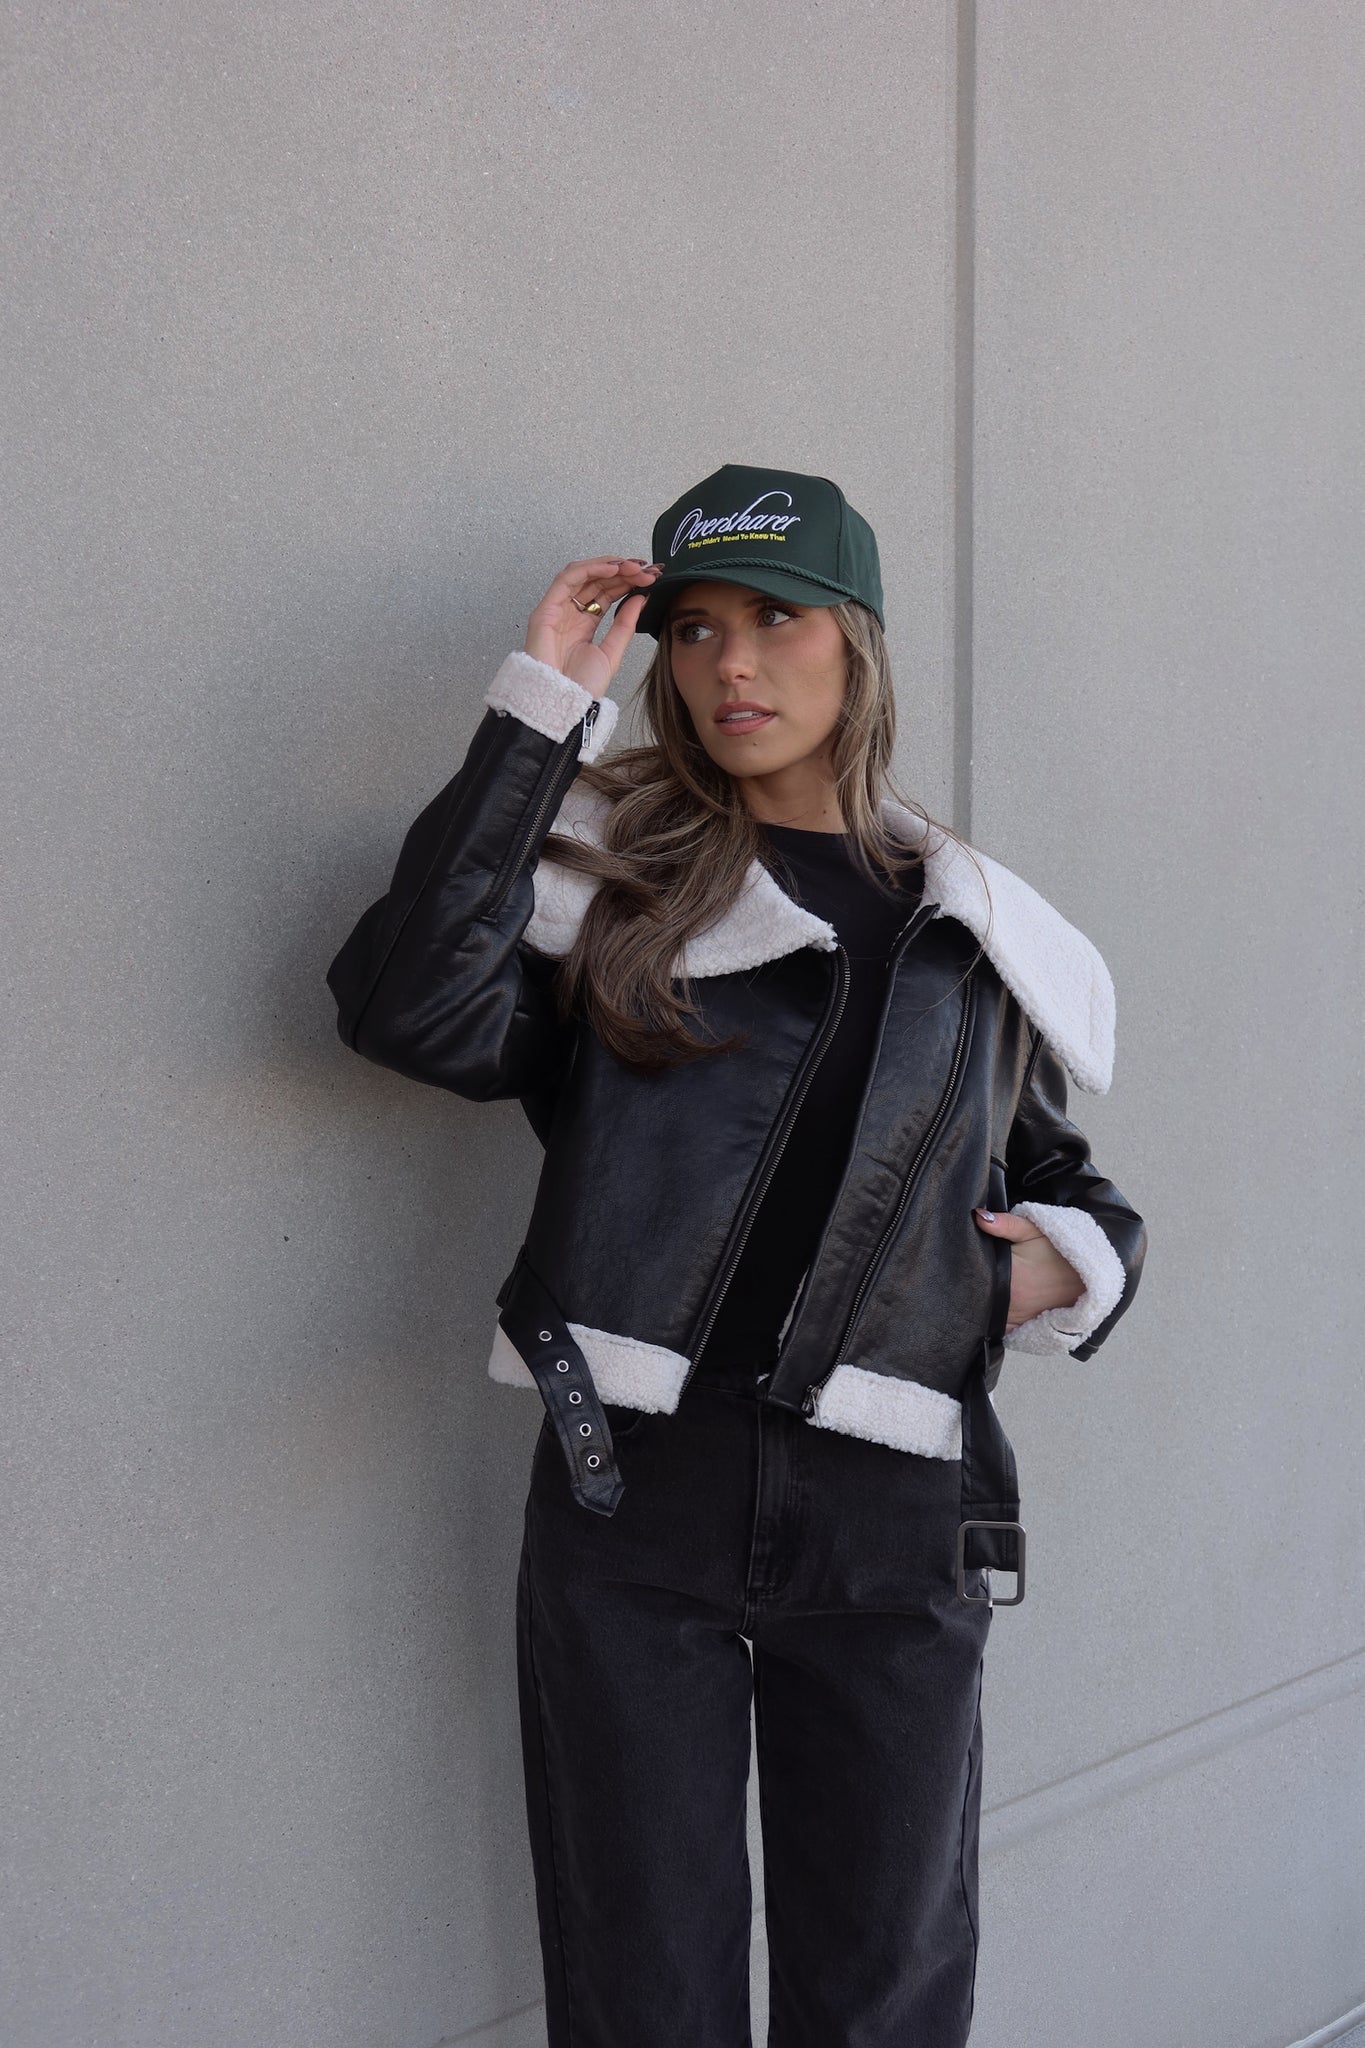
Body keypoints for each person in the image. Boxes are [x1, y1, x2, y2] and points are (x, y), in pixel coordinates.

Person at [326, 462, 1148, 2046]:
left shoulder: (964, 926)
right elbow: (407, 1009)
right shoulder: (613, 878)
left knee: (883, 1984)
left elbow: (1054, 1174)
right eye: (693, 630)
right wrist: (536, 716)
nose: (730, 665)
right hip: (633, 1489)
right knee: (641, 1982)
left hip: (894, 1512)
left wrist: (1067, 1262)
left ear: (857, 642)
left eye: (777, 620)